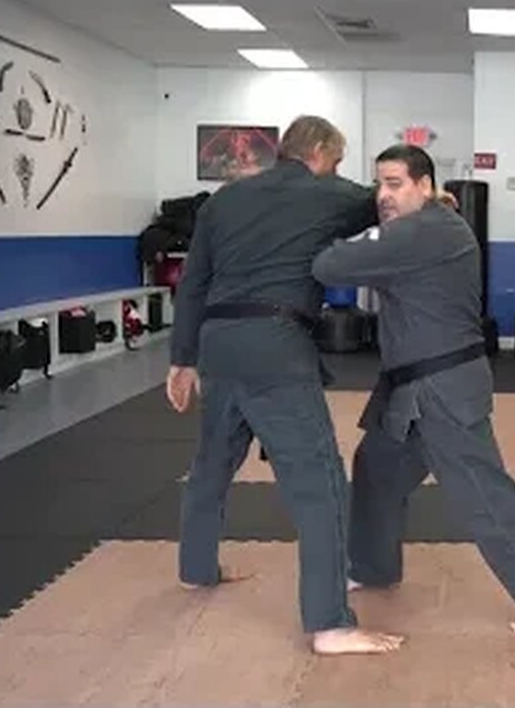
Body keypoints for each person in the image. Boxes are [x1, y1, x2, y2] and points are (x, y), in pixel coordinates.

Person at [313, 145, 515, 639]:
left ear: (424, 185)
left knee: (483, 493)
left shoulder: (423, 231)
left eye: (395, 184)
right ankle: (374, 566)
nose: (384, 195)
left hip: (440, 389)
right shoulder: (427, 228)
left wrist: (313, 219)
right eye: (379, 184)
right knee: (376, 469)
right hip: (409, 389)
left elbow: (330, 266)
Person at [167, 115, 404, 656]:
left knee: (211, 464)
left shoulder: (221, 201)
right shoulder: (323, 192)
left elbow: (193, 283)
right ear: (318, 151)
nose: (338, 170)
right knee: (318, 483)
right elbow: (384, 202)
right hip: (275, 344)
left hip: (217, 344)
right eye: (337, 160)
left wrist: (182, 359)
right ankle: (330, 624)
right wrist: (436, 203)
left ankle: (195, 569)